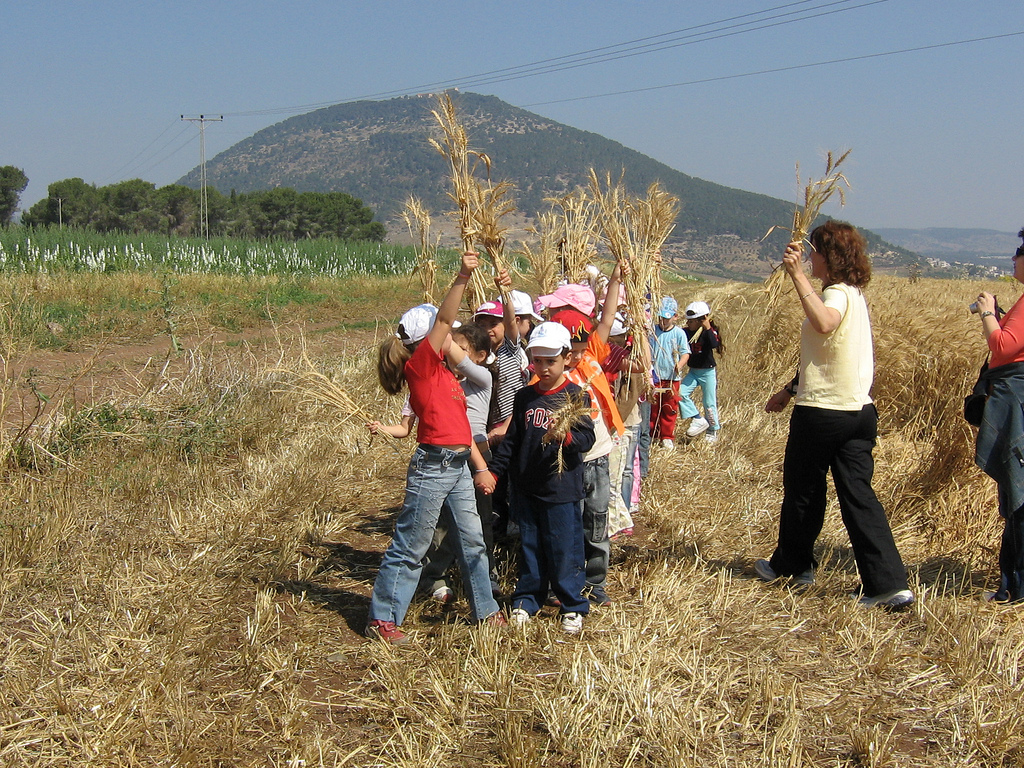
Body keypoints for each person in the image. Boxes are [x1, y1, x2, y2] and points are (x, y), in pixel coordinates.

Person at [758, 221, 914, 610]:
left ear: (828, 258)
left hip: (824, 414)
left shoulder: (836, 294)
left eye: (814, 252)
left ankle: (793, 567)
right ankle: (888, 583)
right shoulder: (855, 295)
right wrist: (789, 390)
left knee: (803, 492)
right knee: (859, 496)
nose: (810, 258)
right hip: (858, 411)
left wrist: (795, 276)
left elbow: (824, 324)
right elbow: (830, 357)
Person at [365, 252, 504, 644]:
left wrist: (478, 467)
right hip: (433, 467)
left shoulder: (444, 373)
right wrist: (463, 275)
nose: (453, 335)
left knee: (473, 539)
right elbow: (443, 320)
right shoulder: (422, 365)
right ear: (427, 340)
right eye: (447, 334)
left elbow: (461, 427)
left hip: (458, 464)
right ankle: (382, 619)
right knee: (412, 543)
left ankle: (486, 612)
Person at [487, 321, 596, 634]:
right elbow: (511, 442)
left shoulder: (576, 396)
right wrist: (496, 472)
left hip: (561, 489)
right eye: (538, 360)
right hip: (527, 487)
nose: (544, 367)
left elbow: (586, 440)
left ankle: (572, 604)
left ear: (566, 358)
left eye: (551, 360)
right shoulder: (524, 398)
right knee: (531, 545)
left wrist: (566, 437)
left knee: (565, 548)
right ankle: (527, 598)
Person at [549, 266, 626, 607]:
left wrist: (615, 281)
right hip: (569, 462)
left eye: (582, 348)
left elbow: (606, 319)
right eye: (572, 350)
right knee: (567, 524)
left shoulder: (591, 355)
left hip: (598, 456)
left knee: (596, 523)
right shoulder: (549, 378)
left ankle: (595, 582)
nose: (578, 355)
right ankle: (563, 582)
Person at [418, 321, 502, 602]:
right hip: (447, 454)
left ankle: (485, 574)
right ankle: (435, 576)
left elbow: (455, 356)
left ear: (480, 356)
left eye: (463, 349)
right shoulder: (442, 379)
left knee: (481, 521)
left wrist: (441, 327)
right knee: (442, 521)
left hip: (478, 453)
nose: (452, 353)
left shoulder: (483, 379)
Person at [973, 227, 1024, 603]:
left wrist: (989, 314)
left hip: (1016, 402)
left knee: (1018, 487)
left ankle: (1017, 586)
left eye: (1019, 252)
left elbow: (1003, 347)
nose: (1013, 259)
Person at [678, 301, 724, 444]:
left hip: (707, 372)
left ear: (701, 320)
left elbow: (715, 344)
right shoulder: (686, 332)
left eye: (691, 321)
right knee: (679, 393)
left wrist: (708, 328)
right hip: (693, 372)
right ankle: (697, 418)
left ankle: (713, 429)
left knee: (709, 402)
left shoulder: (708, 333)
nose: (688, 323)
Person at [650, 297, 690, 449]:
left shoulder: (679, 333)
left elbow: (685, 353)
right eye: (661, 317)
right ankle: (652, 434)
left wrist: (679, 365)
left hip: (671, 378)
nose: (663, 321)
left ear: (675, 317)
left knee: (669, 407)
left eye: (667, 318)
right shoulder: (652, 331)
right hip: (655, 377)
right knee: (653, 407)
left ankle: (666, 436)